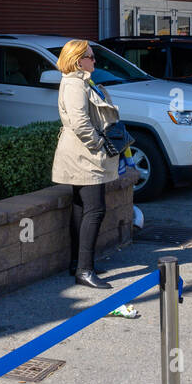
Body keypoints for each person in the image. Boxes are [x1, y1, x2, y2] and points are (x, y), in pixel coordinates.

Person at [52, 39, 120, 289]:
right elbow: (80, 122)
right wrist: (99, 144)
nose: (95, 60)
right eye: (91, 57)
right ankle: (84, 270)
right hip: (84, 154)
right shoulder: (74, 84)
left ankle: (78, 264)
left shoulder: (80, 81)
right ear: (78, 59)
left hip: (81, 153)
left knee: (81, 208)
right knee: (95, 209)